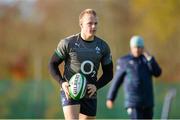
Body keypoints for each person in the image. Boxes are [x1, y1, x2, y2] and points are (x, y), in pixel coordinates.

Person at [49, 9, 113, 119]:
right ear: (81, 24)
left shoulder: (103, 47)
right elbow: (52, 64)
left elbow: (109, 73)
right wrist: (62, 82)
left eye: (95, 23)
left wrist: (96, 86)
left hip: (89, 92)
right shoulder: (68, 43)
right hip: (70, 89)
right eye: (90, 23)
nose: (93, 27)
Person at [106, 35, 162, 119]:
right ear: (131, 47)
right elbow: (116, 81)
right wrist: (111, 97)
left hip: (148, 102)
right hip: (133, 102)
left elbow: (157, 73)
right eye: (134, 47)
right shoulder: (124, 61)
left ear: (143, 48)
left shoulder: (148, 60)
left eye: (139, 47)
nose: (136, 49)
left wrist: (149, 58)